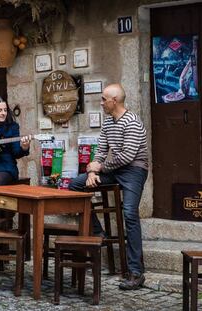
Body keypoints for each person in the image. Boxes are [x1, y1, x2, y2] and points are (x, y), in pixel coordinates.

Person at [69, 84, 148, 290]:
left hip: (134, 170)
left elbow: (127, 157)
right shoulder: (108, 122)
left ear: (114, 101)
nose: (101, 103)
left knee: (130, 213)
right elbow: (101, 149)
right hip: (113, 169)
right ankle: (98, 232)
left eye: (104, 99)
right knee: (75, 185)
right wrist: (93, 172)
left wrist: (100, 167)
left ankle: (136, 272)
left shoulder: (132, 122)